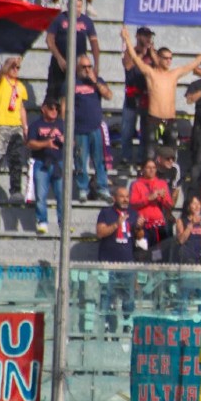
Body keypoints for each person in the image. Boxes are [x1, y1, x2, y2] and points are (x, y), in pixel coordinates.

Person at [121, 26, 201, 159]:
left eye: (170, 58)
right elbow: (135, 58)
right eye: (166, 58)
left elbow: (194, 63)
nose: (169, 61)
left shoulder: (173, 74)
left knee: (171, 156)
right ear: (159, 58)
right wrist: (127, 39)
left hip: (170, 120)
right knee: (150, 156)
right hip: (154, 120)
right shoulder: (151, 73)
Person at [97, 186, 144, 332]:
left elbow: (140, 238)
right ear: (114, 198)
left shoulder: (133, 214)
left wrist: (139, 228)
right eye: (122, 196)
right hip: (108, 263)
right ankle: (105, 325)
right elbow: (100, 232)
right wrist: (116, 224)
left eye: (127, 196)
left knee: (129, 297)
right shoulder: (106, 213)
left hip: (127, 263)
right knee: (107, 296)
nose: (125, 199)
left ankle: (127, 325)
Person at [67, 54, 113, 202]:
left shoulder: (98, 80)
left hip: (96, 127)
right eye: (84, 67)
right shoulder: (71, 82)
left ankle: (102, 188)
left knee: (100, 160)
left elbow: (109, 95)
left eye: (89, 66)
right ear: (77, 68)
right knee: (80, 161)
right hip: (79, 129)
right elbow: (64, 106)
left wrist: (95, 82)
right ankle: (83, 189)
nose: (87, 70)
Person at [0, 58, 28, 203]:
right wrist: (9, 62)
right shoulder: (0, 81)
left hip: (16, 126)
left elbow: (21, 107)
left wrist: (25, 126)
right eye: (13, 67)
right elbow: (0, 74)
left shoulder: (20, 86)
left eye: (18, 67)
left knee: (16, 158)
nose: (15, 70)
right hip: (1, 125)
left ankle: (15, 190)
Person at [46, 0, 100, 102]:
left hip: (79, 66)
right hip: (60, 64)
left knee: (77, 95)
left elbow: (94, 43)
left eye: (79, 6)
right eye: (75, 6)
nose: (77, 9)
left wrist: (96, 64)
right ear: (68, 6)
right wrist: (59, 59)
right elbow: (49, 40)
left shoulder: (87, 21)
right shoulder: (59, 19)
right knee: (53, 97)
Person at [26, 98, 65, 234]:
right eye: (51, 108)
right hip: (41, 163)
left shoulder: (62, 124)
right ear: (43, 109)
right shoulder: (36, 125)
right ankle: (42, 221)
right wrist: (46, 144)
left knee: (62, 196)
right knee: (41, 195)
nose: (54, 111)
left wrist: (65, 141)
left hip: (58, 163)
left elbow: (72, 143)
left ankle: (63, 222)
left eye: (56, 109)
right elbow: (30, 144)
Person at [120, 27, 155, 167]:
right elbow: (128, 65)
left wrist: (151, 53)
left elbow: (159, 67)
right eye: (145, 36)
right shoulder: (130, 51)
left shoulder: (152, 54)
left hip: (147, 96)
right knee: (127, 130)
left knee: (145, 131)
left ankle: (141, 159)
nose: (148, 39)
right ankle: (126, 158)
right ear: (138, 36)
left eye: (149, 36)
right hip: (132, 96)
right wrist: (140, 55)